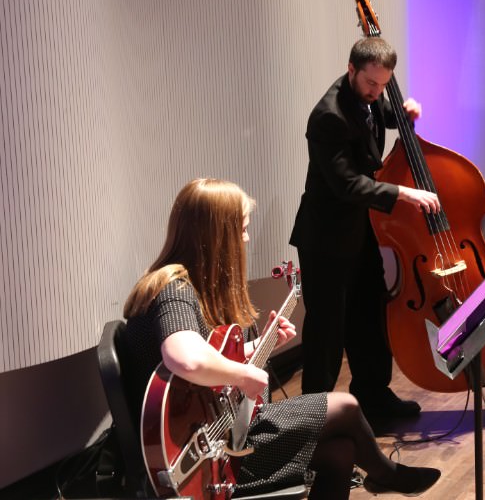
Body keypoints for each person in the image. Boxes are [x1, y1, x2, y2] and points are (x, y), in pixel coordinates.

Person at [121, 178, 441, 499]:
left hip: (220, 433)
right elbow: (186, 359)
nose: (247, 239)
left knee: (341, 451)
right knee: (346, 405)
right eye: (242, 229)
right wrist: (242, 373)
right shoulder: (173, 289)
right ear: (218, 235)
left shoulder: (185, 285)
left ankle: (386, 475)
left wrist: (260, 345)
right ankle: (386, 475)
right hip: (203, 456)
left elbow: (204, 358)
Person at [289, 37, 440, 418]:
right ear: (351, 70)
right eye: (371, 83)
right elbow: (347, 185)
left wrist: (404, 111)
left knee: (369, 315)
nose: (376, 91)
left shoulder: (367, 97)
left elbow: (379, 113)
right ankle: (314, 416)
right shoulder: (328, 116)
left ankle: (373, 397)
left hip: (362, 230)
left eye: (383, 85)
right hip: (326, 237)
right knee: (327, 330)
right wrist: (403, 192)